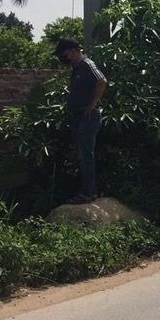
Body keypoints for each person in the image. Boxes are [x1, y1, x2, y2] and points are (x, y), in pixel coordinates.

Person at [54, 38, 106, 204]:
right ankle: (85, 191)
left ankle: (89, 193)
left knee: (86, 156)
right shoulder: (76, 68)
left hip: (87, 118)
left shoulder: (87, 64)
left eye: (65, 54)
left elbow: (102, 81)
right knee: (81, 156)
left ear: (73, 51)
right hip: (78, 117)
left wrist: (92, 105)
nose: (64, 58)